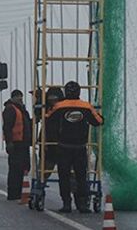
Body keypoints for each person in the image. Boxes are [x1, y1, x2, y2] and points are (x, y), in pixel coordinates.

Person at [46, 80, 104, 213]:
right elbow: (99, 121)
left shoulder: (59, 106)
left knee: (64, 176)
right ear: (79, 92)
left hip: (63, 147)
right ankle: (82, 204)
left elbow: (48, 119)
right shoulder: (86, 106)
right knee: (81, 176)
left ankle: (66, 203)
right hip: (80, 147)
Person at [2, 90, 32, 200]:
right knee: (16, 168)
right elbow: (7, 127)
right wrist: (9, 142)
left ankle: (19, 191)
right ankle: (13, 193)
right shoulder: (11, 109)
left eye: (21, 96)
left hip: (23, 143)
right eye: (18, 96)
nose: (20, 98)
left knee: (23, 167)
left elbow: (27, 124)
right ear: (13, 98)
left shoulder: (22, 110)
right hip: (16, 144)